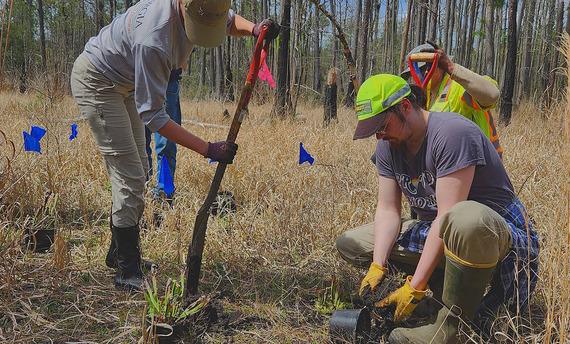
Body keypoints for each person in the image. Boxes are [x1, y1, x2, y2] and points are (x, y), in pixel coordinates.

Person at [70, 0, 279, 291]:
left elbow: (228, 21)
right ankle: (127, 270)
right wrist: (208, 148)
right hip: (98, 82)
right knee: (130, 175)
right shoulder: (154, 37)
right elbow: (153, 115)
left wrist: (254, 29)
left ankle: (118, 252)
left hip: (126, 82)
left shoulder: (203, 6)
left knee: (140, 168)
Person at [336, 74, 539, 343]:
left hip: (497, 235)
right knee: (353, 243)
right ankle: (446, 295)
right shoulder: (388, 145)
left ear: (405, 107)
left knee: (465, 219)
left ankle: (453, 327)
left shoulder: (452, 134)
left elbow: (447, 217)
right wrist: (377, 266)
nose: (379, 135)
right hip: (444, 231)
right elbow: (387, 211)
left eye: (382, 125)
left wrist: (415, 286)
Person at [402, 42, 503, 158]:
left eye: (423, 69)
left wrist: (451, 67)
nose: (418, 76)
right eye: (413, 72)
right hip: (452, 164)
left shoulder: (459, 86)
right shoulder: (427, 96)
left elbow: (492, 95)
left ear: (437, 66)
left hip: (481, 164)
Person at [145, 67, 183, 203]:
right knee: (142, 145)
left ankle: (163, 195)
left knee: (161, 145)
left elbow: (183, 60)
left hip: (163, 82)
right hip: (142, 83)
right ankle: (145, 194)